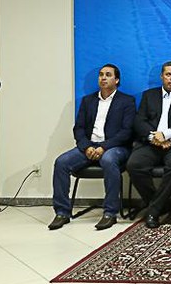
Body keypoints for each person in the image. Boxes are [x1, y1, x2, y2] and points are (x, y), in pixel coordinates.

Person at [48, 64, 135, 231]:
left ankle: (110, 213)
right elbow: (78, 128)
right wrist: (86, 147)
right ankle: (62, 212)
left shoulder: (126, 101)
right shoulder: (88, 101)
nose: (103, 78)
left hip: (115, 147)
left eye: (108, 75)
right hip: (89, 146)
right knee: (61, 162)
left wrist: (103, 147)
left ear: (116, 80)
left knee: (109, 160)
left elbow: (127, 132)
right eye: (101, 74)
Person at [127, 61, 171, 228]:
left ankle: (153, 210)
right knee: (134, 164)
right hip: (151, 143)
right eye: (168, 74)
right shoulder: (149, 95)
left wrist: (166, 135)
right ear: (162, 76)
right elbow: (139, 121)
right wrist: (154, 137)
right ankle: (160, 205)